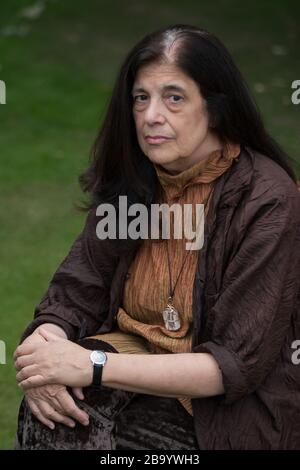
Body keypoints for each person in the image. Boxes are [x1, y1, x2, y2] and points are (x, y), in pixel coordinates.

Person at [14, 24, 300, 450]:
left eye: (174, 98)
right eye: (141, 98)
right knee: (53, 416)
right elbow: (76, 289)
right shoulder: (136, 180)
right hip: (131, 364)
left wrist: (89, 363)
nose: (151, 116)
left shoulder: (267, 201)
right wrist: (45, 353)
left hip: (222, 411)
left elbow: (232, 366)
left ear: (216, 107)